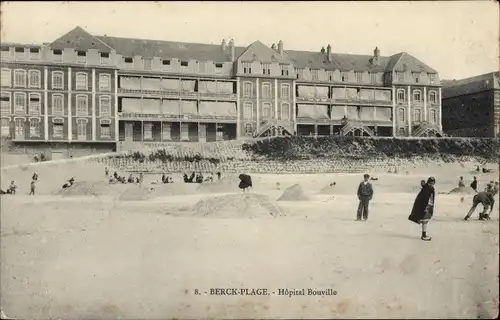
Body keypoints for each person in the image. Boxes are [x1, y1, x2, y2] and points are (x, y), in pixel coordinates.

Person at [408, 177, 436, 241]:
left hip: (428, 207)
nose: (431, 184)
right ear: (428, 182)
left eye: (432, 183)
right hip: (425, 207)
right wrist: (425, 207)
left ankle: (424, 234)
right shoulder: (427, 189)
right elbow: (424, 199)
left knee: (425, 221)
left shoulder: (429, 188)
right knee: (425, 221)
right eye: (430, 183)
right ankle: (423, 235)